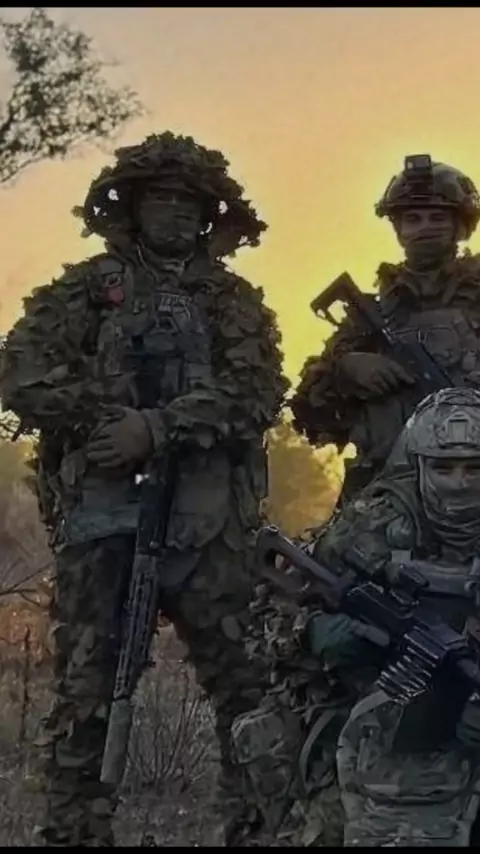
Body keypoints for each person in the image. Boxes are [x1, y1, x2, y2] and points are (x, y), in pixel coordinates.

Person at [0, 131, 289, 847]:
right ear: (131, 206)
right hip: (105, 519)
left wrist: (159, 427)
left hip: (209, 528)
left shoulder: (232, 301)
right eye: (161, 198)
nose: (176, 212)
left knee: (246, 689)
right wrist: (109, 420)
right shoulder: (87, 290)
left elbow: (257, 390)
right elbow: (21, 372)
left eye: (190, 202)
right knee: (88, 694)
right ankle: (76, 832)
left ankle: (258, 828)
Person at [305, 386, 480, 846]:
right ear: (418, 465)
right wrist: (319, 631)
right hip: (386, 727)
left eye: (474, 468)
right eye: (443, 468)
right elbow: (279, 606)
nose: (460, 483)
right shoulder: (375, 523)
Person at [291, 154, 480, 502]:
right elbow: (308, 412)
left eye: (438, 217)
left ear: (460, 226)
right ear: (398, 229)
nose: (425, 228)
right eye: (413, 219)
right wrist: (347, 370)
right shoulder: (372, 315)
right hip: (387, 494)